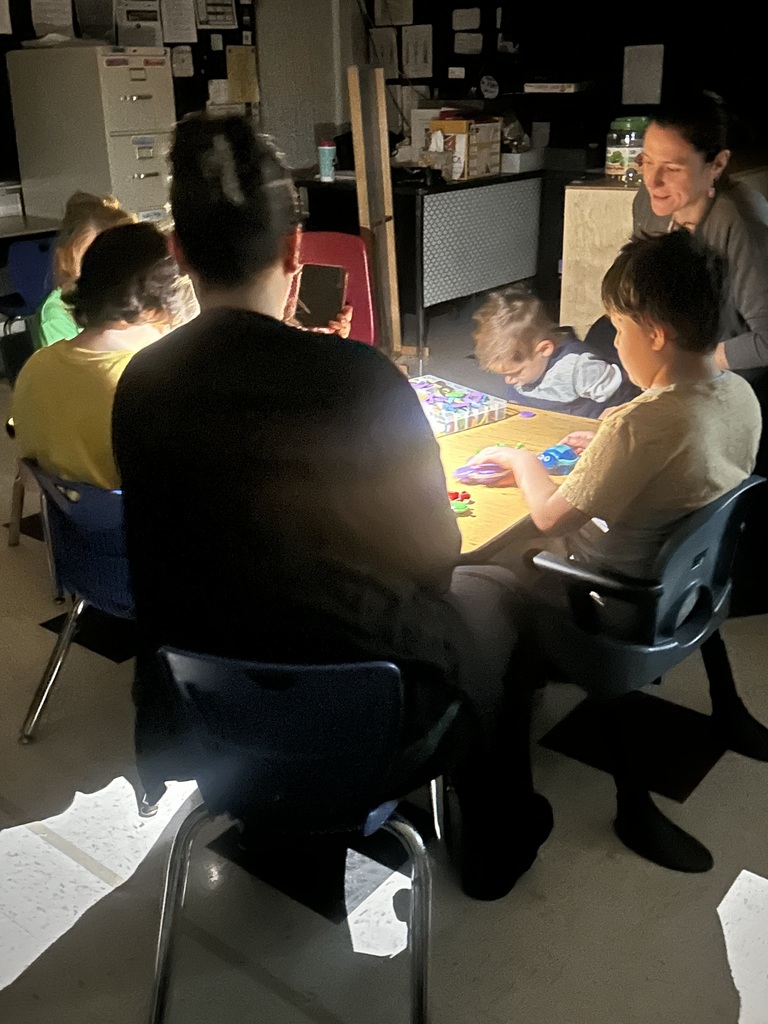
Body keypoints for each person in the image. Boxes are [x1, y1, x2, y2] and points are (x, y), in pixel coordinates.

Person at [111, 113, 552, 902]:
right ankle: (497, 842)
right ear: (294, 251)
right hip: (364, 712)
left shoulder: (140, 385)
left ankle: (272, 814)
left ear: (178, 253)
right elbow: (433, 555)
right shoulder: (358, 378)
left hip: (204, 708)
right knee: (503, 598)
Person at [461, 230, 766, 873]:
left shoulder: (639, 424)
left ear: (652, 330)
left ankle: (575, 785)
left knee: (481, 576)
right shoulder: (738, 393)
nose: (613, 341)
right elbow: (675, 450)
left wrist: (521, 460)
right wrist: (599, 440)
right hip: (696, 590)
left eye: (618, 328)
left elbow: (550, 514)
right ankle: (730, 711)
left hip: (609, 603)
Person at [13, 223, 179, 489]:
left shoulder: (35, 368)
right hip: (136, 526)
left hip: (67, 525)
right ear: (160, 304)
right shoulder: (145, 386)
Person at [473, 285, 637, 417]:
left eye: (515, 373)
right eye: (505, 374)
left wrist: (608, 417)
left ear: (544, 349)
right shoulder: (522, 370)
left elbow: (624, 396)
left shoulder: (579, 368)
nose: (508, 380)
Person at [31, 192, 136, 350]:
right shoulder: (57, 313)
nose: (100, 269)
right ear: (66, 259)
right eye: (88, 258)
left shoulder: (136, 299)